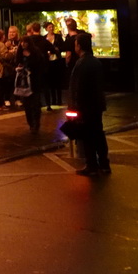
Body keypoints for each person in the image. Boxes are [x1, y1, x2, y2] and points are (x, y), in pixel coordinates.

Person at [69, 32, 110, 176]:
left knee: (87, 136)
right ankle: (104, 164)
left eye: (75, 44)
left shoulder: (81, 64)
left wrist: (74, 108)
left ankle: (91, 165)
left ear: (79, 46)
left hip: (85, 106)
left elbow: (77, 88)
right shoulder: (96, 62)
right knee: (98, 134)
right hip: (97, 105)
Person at [22, 22, 50, 134]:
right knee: (27, 105)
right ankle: (31, 122)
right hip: (25, 83)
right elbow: (16, 62)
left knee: (35, 103)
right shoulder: (20, 53)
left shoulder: (36, 53)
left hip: (34, 81)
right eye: (22, 42)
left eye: (25, 42)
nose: (23, 44)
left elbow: (41, 64)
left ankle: (35, 123)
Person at [43, 21, 66, 110]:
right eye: (49, 27)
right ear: (46, 29)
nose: (51, 29)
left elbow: (62, 47)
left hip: (57, 61)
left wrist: (56, 50)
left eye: (52, 27)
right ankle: (53, 99)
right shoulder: (44, 38)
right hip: (49, 62)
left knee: (58, 81)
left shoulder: (58, 37)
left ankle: (59, 99)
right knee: (51, 81)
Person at [1, 26, 24, 110]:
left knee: (17, 82)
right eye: (10, 32)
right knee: (8, 82)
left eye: (13, 32)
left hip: (17, 65)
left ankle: (17, 99)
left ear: (17, 33)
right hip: (8, 66)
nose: (11, 34)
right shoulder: (5, 42)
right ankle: (6, 98)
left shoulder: (20, 42)